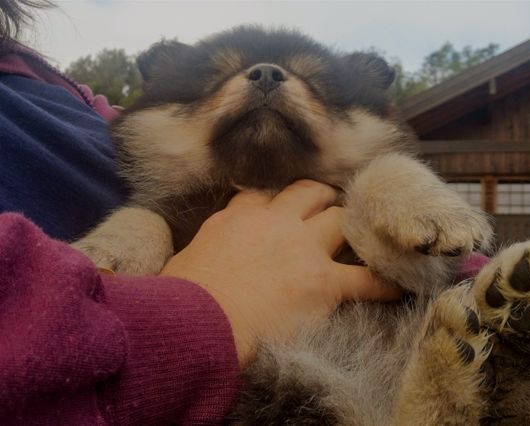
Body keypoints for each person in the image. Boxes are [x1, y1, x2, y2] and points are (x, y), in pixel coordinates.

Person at [0, 1, 402, 423]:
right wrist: (211, 307)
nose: (266, 75)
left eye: (316, 84)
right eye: (212, 78)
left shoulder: (64, 99)